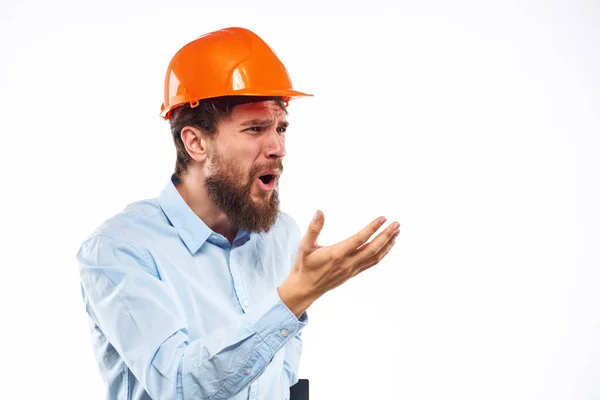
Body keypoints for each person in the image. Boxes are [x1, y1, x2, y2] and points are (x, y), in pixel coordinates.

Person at [76, 27, 400, 400]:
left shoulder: (281, 234)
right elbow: (179, 386)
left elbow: (282, 376)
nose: (278, 147)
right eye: (255, 129)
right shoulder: (119, 250)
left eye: (280, 127)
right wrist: (294, 297)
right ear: (196, 142)